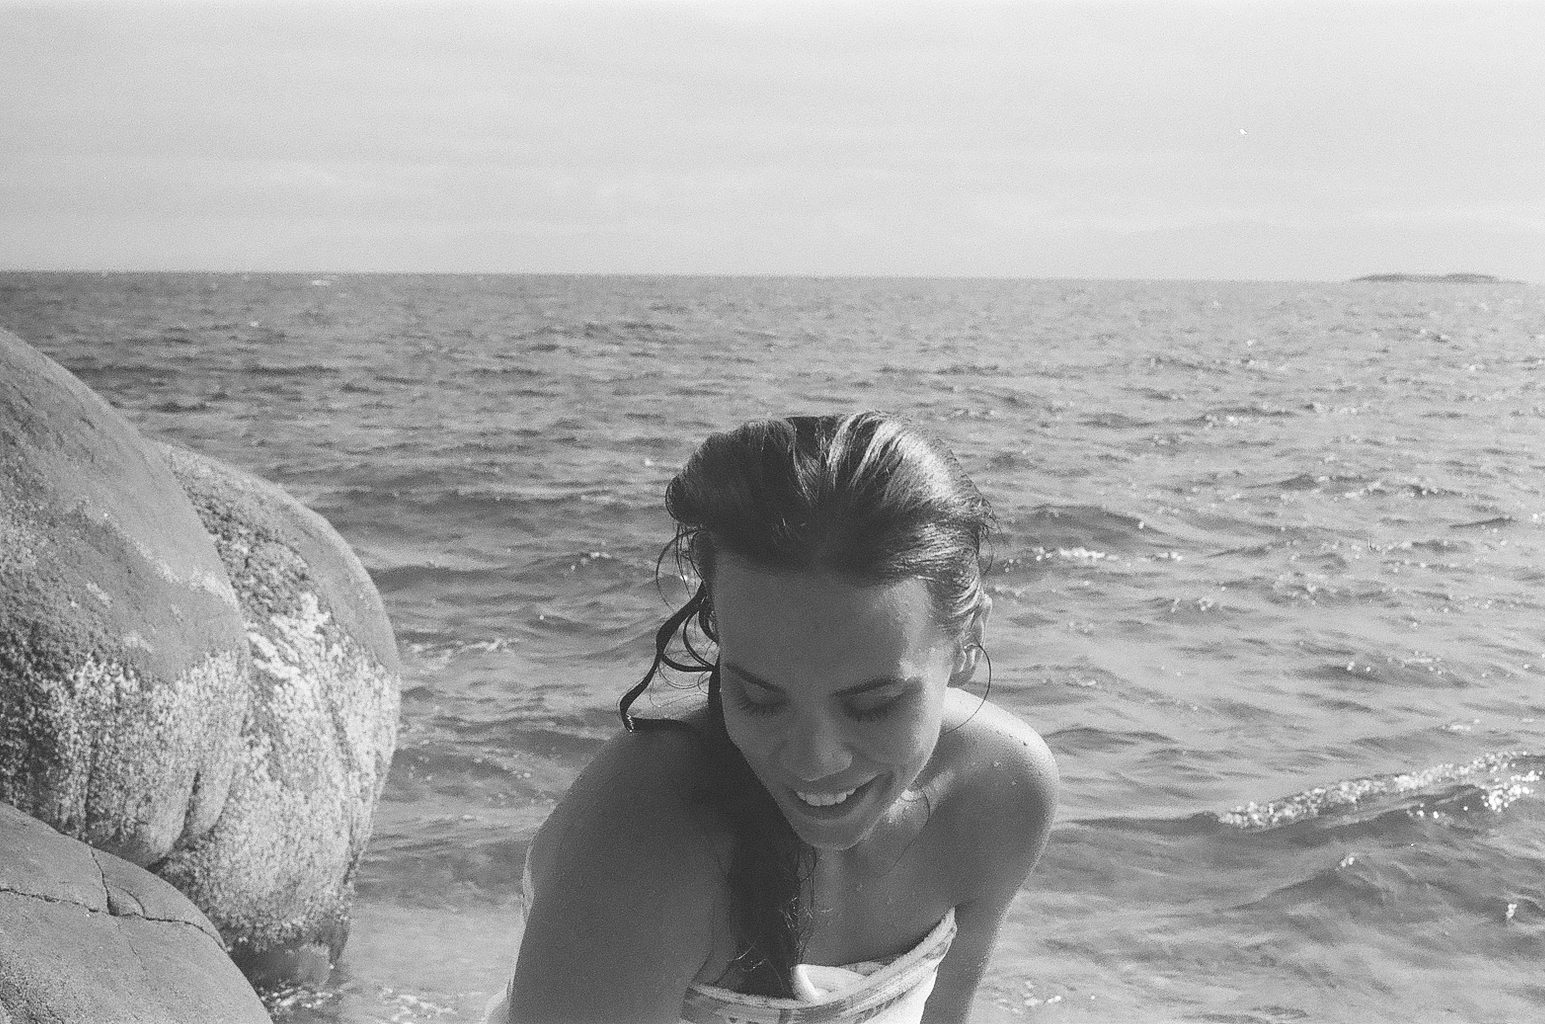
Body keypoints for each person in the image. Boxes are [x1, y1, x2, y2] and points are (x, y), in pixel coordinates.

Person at [486, 412, 1057, 1024]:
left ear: (968, 641)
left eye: (873, 705)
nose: (814, 758)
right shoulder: (641, 838)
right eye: (760, 698)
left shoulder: (999, 793)